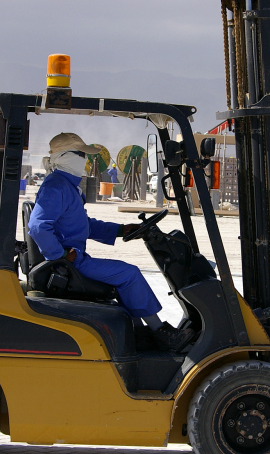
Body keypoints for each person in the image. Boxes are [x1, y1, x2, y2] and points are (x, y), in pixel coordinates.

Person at [28, 133, 194, 351]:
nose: (84, 159)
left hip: (72, 258)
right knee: (129, 274)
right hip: (69, 263)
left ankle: (139, 334)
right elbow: (38, 226)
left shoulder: (67, 186)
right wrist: (59, 256)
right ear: (64, 157)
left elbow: (82, 225)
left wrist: (120, 230)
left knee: (123, 275)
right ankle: (159, 331)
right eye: (80, 154)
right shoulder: (57, 187)